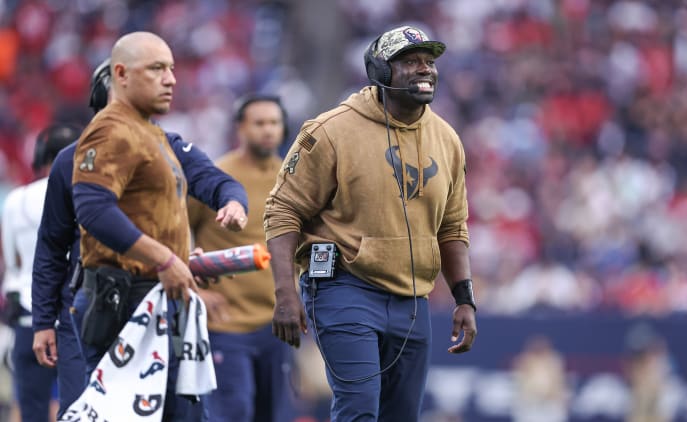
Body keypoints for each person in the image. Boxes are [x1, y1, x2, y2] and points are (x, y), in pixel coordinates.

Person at [264, 25, 477, 421]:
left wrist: (464, 297)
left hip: (412, 298)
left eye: (429, 62)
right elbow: (282, 211)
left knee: (401, 416)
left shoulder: (447, 139)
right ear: (379, 71)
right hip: (344, 287)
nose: (424, 70)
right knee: (359, 411)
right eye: (410, 62)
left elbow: (452, 227)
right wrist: (284, 293)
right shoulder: (330, 131)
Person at [32, 57, 248, 418]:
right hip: (95, 303)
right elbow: (52, 246)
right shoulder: (71, 160)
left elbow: (219, 181)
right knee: (91, 410)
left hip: (163, 299)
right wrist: (43, 322)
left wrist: (232, 203)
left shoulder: (170, 148)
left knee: (180, 412)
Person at [189, 94, 293, 422]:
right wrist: (195, 291)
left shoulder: (295, 178)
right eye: (259, 123)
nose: (268, 130)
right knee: (234, 412)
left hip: (277, 324)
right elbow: (175, 233)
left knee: (272, 415)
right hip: (226, 322)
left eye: (274, 123)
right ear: (240, 128)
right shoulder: (217, 177)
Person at [2, 123, 79, 422]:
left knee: (31, 410)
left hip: (29, 317)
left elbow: (14, 262)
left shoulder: (16, 200)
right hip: (77, 314)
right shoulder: (88, 192)